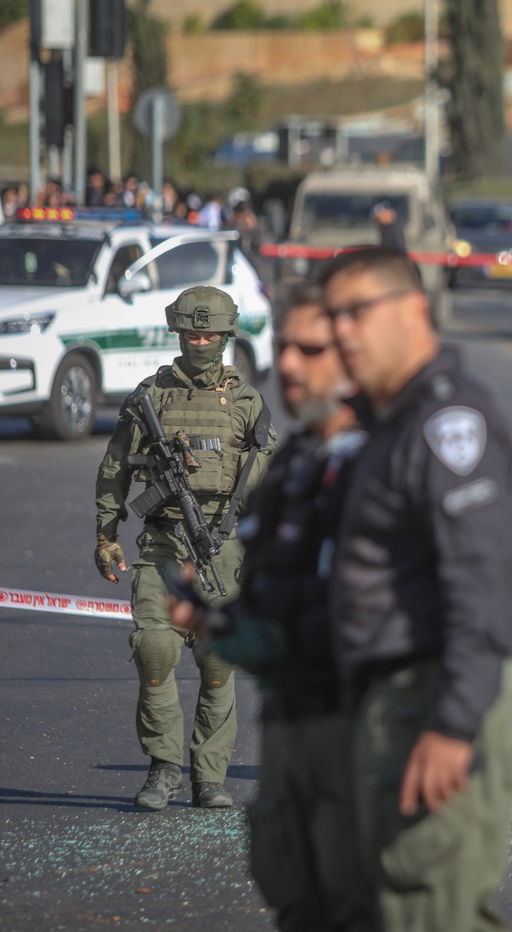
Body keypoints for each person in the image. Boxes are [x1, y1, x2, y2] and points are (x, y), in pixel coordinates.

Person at [319, 247, 512, 928]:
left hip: (434, 693)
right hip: (394, 697)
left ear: (415, 310)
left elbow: (487, 577)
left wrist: (452, 723)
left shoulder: (448, 424)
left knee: (427, 909)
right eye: (333, 316)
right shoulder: (385, 422)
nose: (341, 332)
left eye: (358, 311)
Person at [173, 284, 374, 929]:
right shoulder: (292, 465)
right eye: (284, 346)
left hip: (372, 735)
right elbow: (276, 612)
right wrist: (216, 626)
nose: (288, 364)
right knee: (296, 893)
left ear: (353, 361)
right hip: (296, 733)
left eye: (310, 350)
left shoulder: (394, 462)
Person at [94, 286, 278, 810]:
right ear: (177, 333)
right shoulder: (150, 397)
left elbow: (271, 482)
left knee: (217, 661)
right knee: (154, 650)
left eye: (209, 335)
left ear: (226, 336)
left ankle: (209, 777)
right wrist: (106, 536)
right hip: (162, 542)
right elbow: (115, 469)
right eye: (192, 335)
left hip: (223, 546)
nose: (200, 343)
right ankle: (163, 769)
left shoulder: (246, 402)